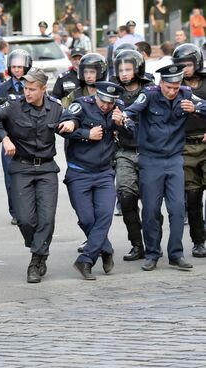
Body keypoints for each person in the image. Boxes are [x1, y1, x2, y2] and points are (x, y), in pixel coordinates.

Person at [0, 68, 66, 283]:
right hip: (21, 168)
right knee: (25, 219)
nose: (27, 93)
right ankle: (39, 246)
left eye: (32, 89)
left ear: (43, 89)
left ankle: (37, 259)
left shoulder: (55, 108)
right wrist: (5, 139)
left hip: (47, 169)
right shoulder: (13, 106)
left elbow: (71, 122)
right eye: (25, 88)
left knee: (46, 218)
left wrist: (74, 124)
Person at [123, 64, 206, 271]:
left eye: (176, 87)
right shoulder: (149, 95)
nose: (172, 91)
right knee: (151, 210)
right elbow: (130, 111)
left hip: (175, 159)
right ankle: (152, 253)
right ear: (161, 83)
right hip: (151, 159)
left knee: (177, 209)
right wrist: (122, 119)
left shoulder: (186, 94)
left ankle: (176, 254)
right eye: (168, 86)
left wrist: (196, 109)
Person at [59, 81, 132, 280]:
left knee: (104, 214)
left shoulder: (118, 109)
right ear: (96, 95)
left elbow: (133, 134)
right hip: (79, 172)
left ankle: (86, 260)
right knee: (86, 219)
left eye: (111, 103)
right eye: (104, 101)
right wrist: (85, 133)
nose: (107, 106)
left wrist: (121, 123)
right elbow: (62, 127)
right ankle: (106, 249)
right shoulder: (81, 105)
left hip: (104, 173)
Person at [108, 50, 154, 262]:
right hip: (124, 151)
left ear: (138, 69)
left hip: (149, 152)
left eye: (129, 69)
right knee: (126, 199)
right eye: (121, 70)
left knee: (151, 203)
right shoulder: (113, 93)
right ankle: (136, 244)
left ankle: (153, 244)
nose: (124, 74)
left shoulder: (151, 90)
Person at [172, 44, 206, 258]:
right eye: (181, 65)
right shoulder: (172, 87)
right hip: (185, 146)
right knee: (192, 198)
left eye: (189, 64)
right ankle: (198, 241)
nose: (185, 69)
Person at [0, 49, 32, 226]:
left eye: (21, 66)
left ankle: (30, 208)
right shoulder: (1, 89)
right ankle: (15, 211)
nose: (17, 70)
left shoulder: (33, 86)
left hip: (30, 139)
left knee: (30, 175)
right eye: (14, 66)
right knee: (11, 177)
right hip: (9, 139)